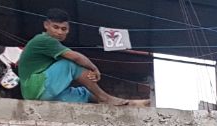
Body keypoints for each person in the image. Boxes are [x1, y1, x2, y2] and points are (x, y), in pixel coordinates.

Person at [17, 9, 148, 106]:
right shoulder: (43, 40)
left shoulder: (51, 44)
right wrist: (94, 68)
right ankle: (105, 98)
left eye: (64, 29)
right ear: (46, 25)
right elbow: (75, 57)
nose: (59, 32)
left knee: (84, 94)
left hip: (44, 94)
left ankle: (127, 103)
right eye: (55, 27)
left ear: (68, 30)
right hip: (35, 88)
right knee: (70, 64)